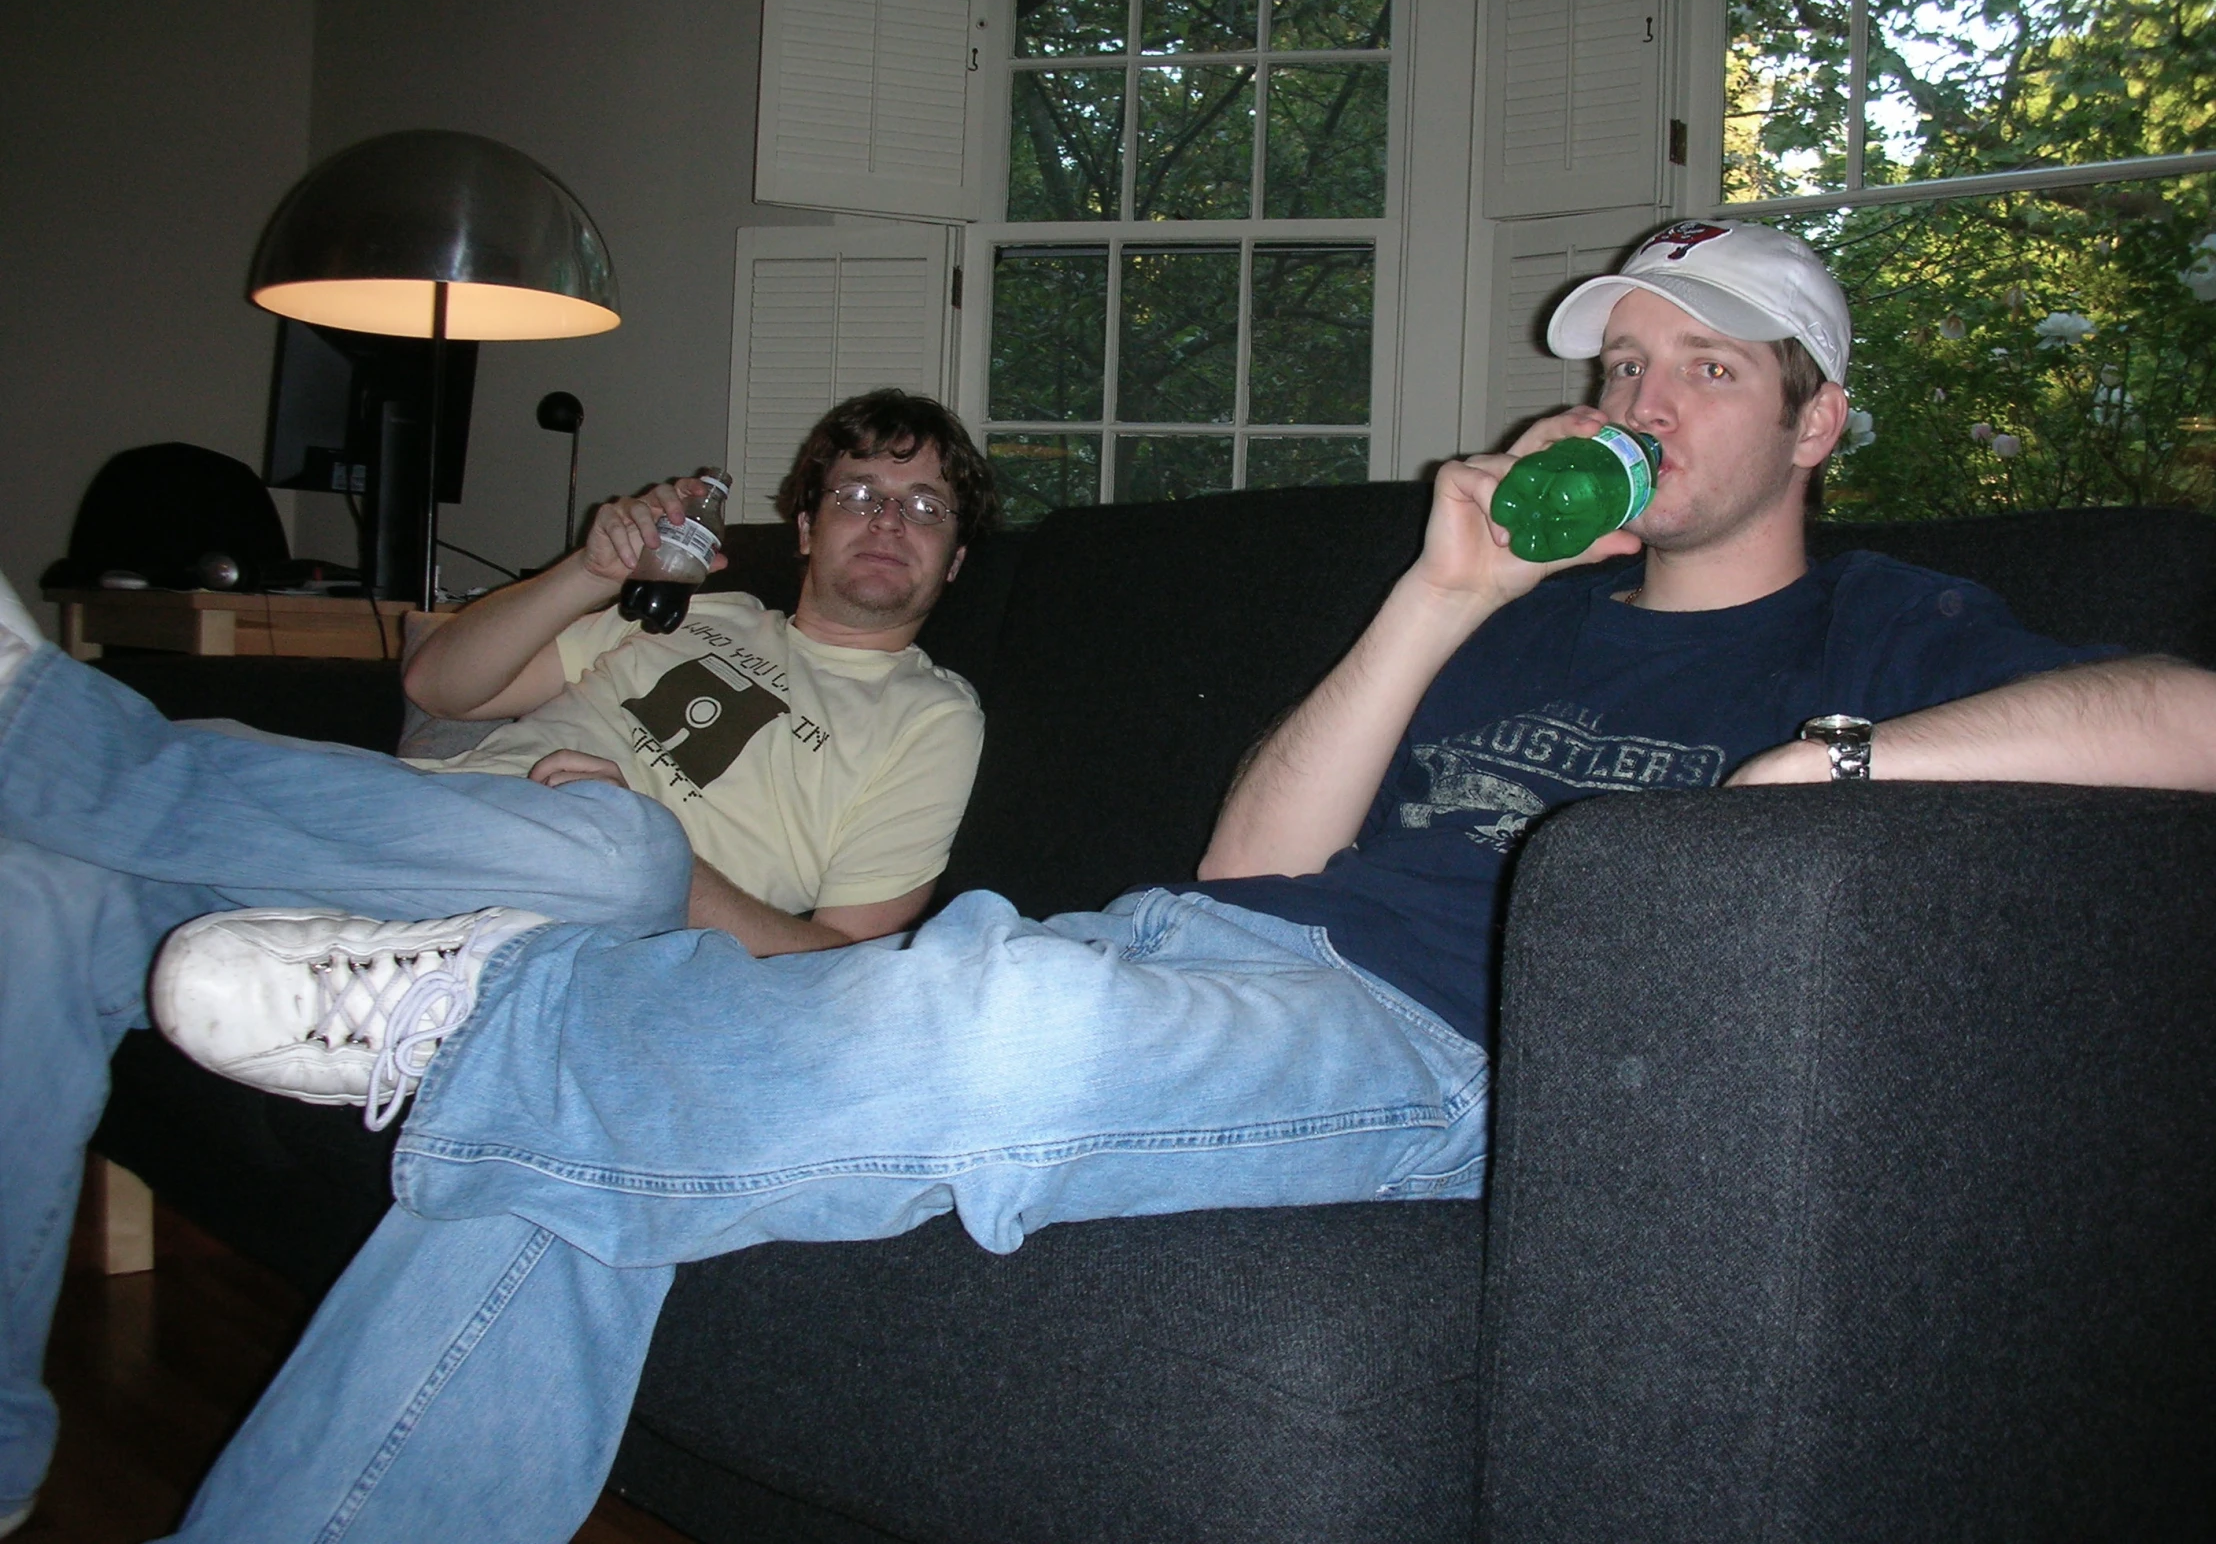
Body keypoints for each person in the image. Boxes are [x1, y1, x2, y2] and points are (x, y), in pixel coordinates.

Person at [87, 222, 2216, 1540]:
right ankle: (534, 1042)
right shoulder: (1519, 607)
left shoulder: (1899, 624)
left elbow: (2194, 721)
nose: (1633, 406)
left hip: (1470, 1062)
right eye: (1613, 368)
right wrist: (1436, 595)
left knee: (989, 1007)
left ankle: (496, 998)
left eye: (1702, 371)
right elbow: (1248, 872)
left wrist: (1837, 759)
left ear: (1822, 419)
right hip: (1236, 964)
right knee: (575, 1174)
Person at [0, 389, 996, 1537]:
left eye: (923, 507)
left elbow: (844, 967)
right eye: (859, 493)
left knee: (621, 845)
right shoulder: (690, 609)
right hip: (384, 848)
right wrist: (589, 570)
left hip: (574, 925)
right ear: (806, 525)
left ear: (955, 559)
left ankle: (50, 734)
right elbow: (439, 690)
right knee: (37, 899)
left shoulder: (931, 718)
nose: (888, 519)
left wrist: (671, 860)